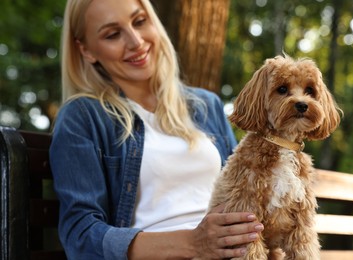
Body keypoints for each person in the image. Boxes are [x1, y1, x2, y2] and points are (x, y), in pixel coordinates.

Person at [49, 0, 264, 259]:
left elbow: (246, 188)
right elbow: (80, 234)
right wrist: (194, 243)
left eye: (139, 21)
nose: (136, 42)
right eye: (112, 34)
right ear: (86, 50)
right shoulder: (83, 116)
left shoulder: (206, 105)